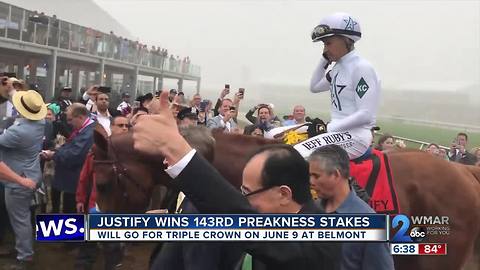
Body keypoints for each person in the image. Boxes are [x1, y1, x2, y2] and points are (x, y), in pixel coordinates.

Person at [133, 91, 341, 269]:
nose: (243, 202)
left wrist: (175, 149)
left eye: (247, 192)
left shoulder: (319, 239)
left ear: (283, 194)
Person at [297, 12, 380, 159]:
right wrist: (324, 60)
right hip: (336, 131)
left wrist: (328, 128)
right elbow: (314, 87)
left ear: (346, 40)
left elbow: (366, 115)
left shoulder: (361, 68)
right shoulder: (338, 68)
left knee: (298, 154)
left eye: (328, 43)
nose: (325, 49)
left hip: (356, 136)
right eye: (324, 45)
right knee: (274, 136)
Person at [308, 145, 394, 270]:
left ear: (336, 175)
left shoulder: (370, 223)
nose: (311, 181)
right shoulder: (311, 211)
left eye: (316, 176)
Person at [0, 89, 46, 268]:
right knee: (23, 218)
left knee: (20, 220)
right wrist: (12, 89)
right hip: (31, 172)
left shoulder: (18, 132)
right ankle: (23, 249)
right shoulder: (40, 122)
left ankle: (24, 257)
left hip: (19, 179)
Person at [43, 103, 95, 213]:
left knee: (70, 212)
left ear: (80, 117)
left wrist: (54, 155)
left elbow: (74, 155)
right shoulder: (84, 130)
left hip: (75, 181)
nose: (68, 123)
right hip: (71, 180)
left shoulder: (89, 134)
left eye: (70, 120)